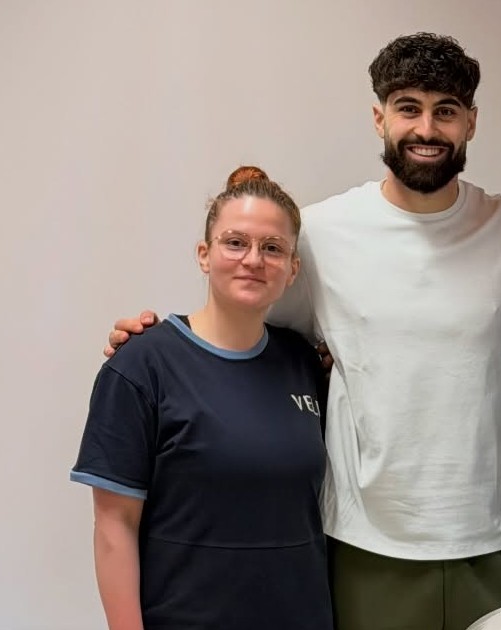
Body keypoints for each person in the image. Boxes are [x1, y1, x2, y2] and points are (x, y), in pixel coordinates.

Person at [102, 33, 501, 630]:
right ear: (379, 117)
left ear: (471, 121)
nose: (427, 127)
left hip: (493, 539)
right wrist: (158, 345)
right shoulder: (322, 234)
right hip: (367, 545)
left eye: (446, 110)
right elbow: (244, 329)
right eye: (408, 108)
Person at [71, 167, 333, 630]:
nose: (253, 259)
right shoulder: (142, 366)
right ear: (204, 254)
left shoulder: (305, 365)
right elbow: (114, 527)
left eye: (273, 248)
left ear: (293, 269)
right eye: (235, 242)